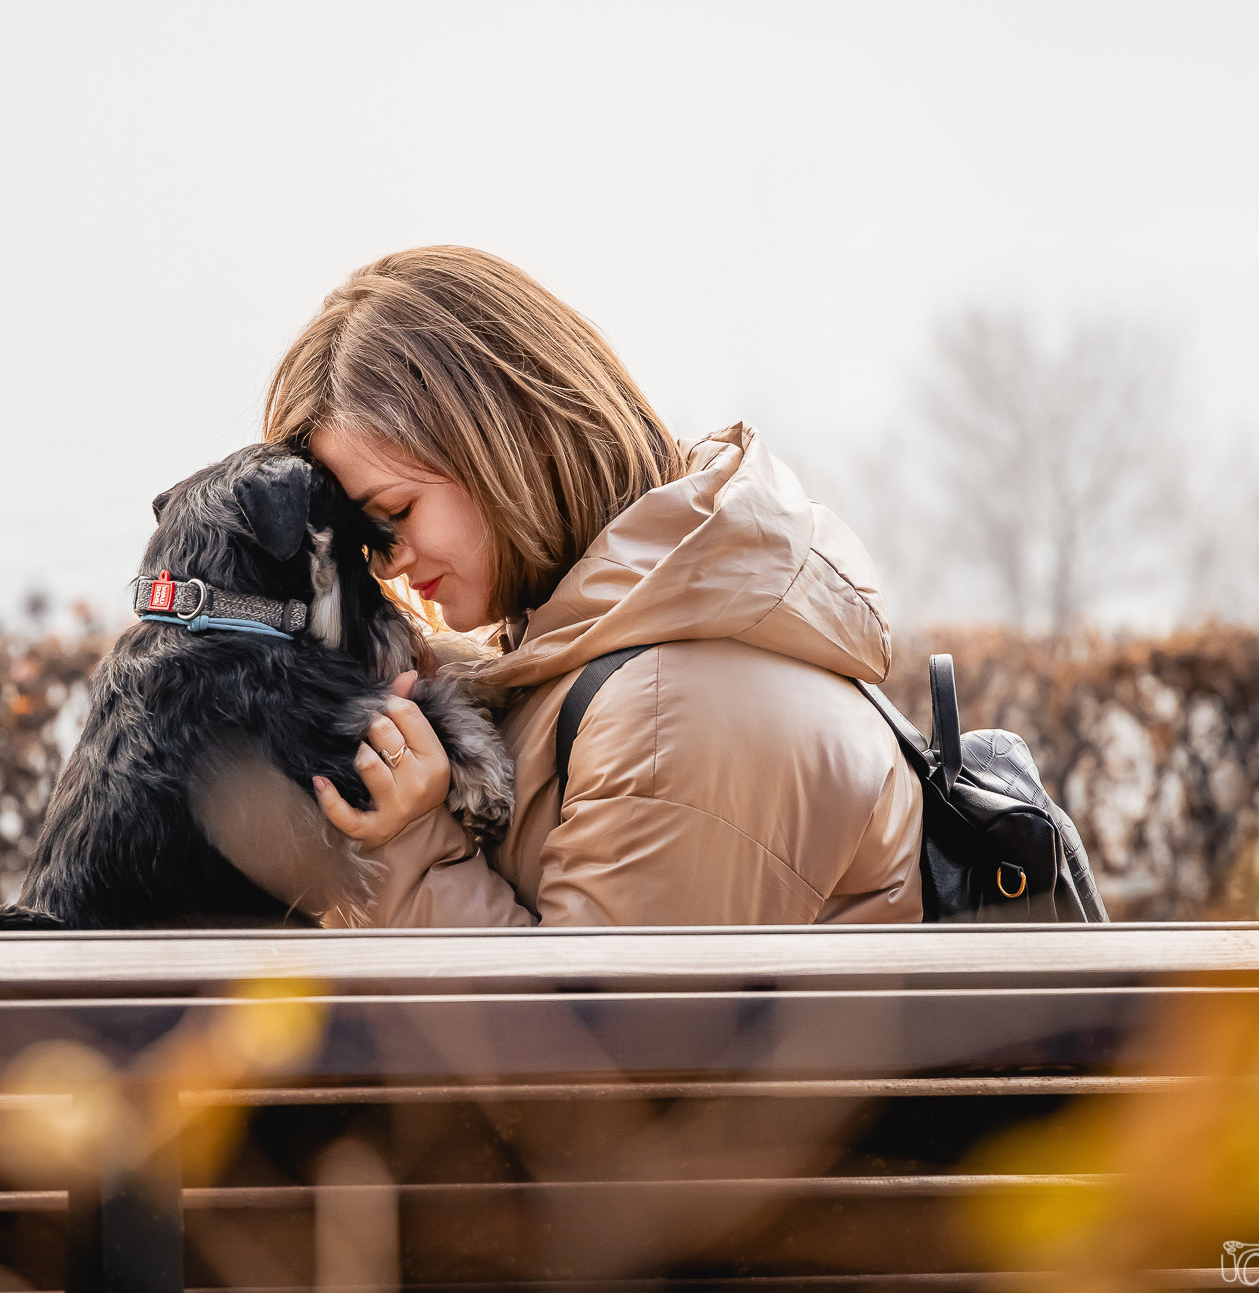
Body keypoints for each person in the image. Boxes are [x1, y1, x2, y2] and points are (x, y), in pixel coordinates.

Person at [265, 246, 922, 927]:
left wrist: (408, 845)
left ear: (510, 441)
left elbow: (597, 1034)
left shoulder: (673, 709)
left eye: (396, 513)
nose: (385, 563)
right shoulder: (601, 655)